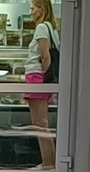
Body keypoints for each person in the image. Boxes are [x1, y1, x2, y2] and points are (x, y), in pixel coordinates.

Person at [23, 0, 56, 129]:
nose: (30, 13)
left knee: (40, 125)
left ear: (41, 9)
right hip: (41, 77)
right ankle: (49, 150)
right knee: (41, 124)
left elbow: (45, 55)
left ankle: (50, 150)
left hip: (36, 77)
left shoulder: (41, 27)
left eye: (32, 9)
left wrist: (47, 79)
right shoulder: (52, 28)